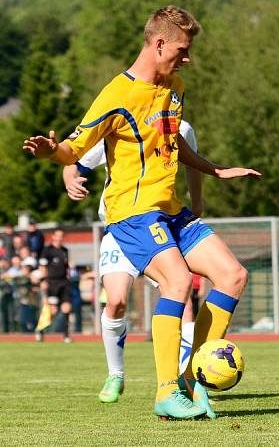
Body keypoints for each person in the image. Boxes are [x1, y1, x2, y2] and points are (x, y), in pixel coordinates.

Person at [23, 6, 261, 420]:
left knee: (233, 275)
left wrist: (213, 168)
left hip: (171, 210)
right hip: (132, 214)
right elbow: (74, 149)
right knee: (178, 280)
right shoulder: (117, 94)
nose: (187, 58)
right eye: (183, 50)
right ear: (159, 43)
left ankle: (190, 379)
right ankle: (167, 391)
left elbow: (174, 144)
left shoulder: (175, 87)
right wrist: (51, 153)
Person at [63, 120, 203, 404]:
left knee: (183, 298)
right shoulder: (120, 121)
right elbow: (74, 157)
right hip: (120, 228)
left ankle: (182, 380)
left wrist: (198, 206)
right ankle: (116, 374)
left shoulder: (182, 128)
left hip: (159, 227)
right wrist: (70, 178)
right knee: (115, 301)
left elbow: (193, 166)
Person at [38, 229, 71, 343]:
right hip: (52, 283)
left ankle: (66, 335)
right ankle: (40, 330)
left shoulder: (65, 250)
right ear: (53, 236)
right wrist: (43, 280)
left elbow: (67, 266)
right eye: (58, 235)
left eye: (62, 236)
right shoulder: (47, 250)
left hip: (64, 283)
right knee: (52, 310)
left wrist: (68, 275)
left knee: (66, 308)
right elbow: (42, 266)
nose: (60, 238)